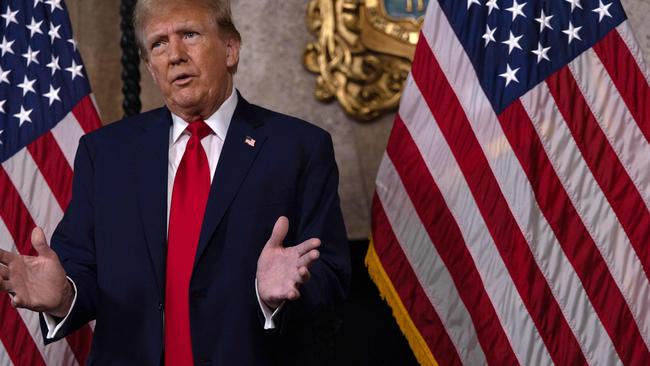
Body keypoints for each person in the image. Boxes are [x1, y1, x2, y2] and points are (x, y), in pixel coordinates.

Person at [0, 0, 351, 364]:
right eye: (159, 44)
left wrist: (279, 294)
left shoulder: (298, 147)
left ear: (230, 49)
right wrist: (62, 296)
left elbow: (333, 277)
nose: (175, 55)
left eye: (190, 34)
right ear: (151, 68)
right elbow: (81, 270)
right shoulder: (105, 153)